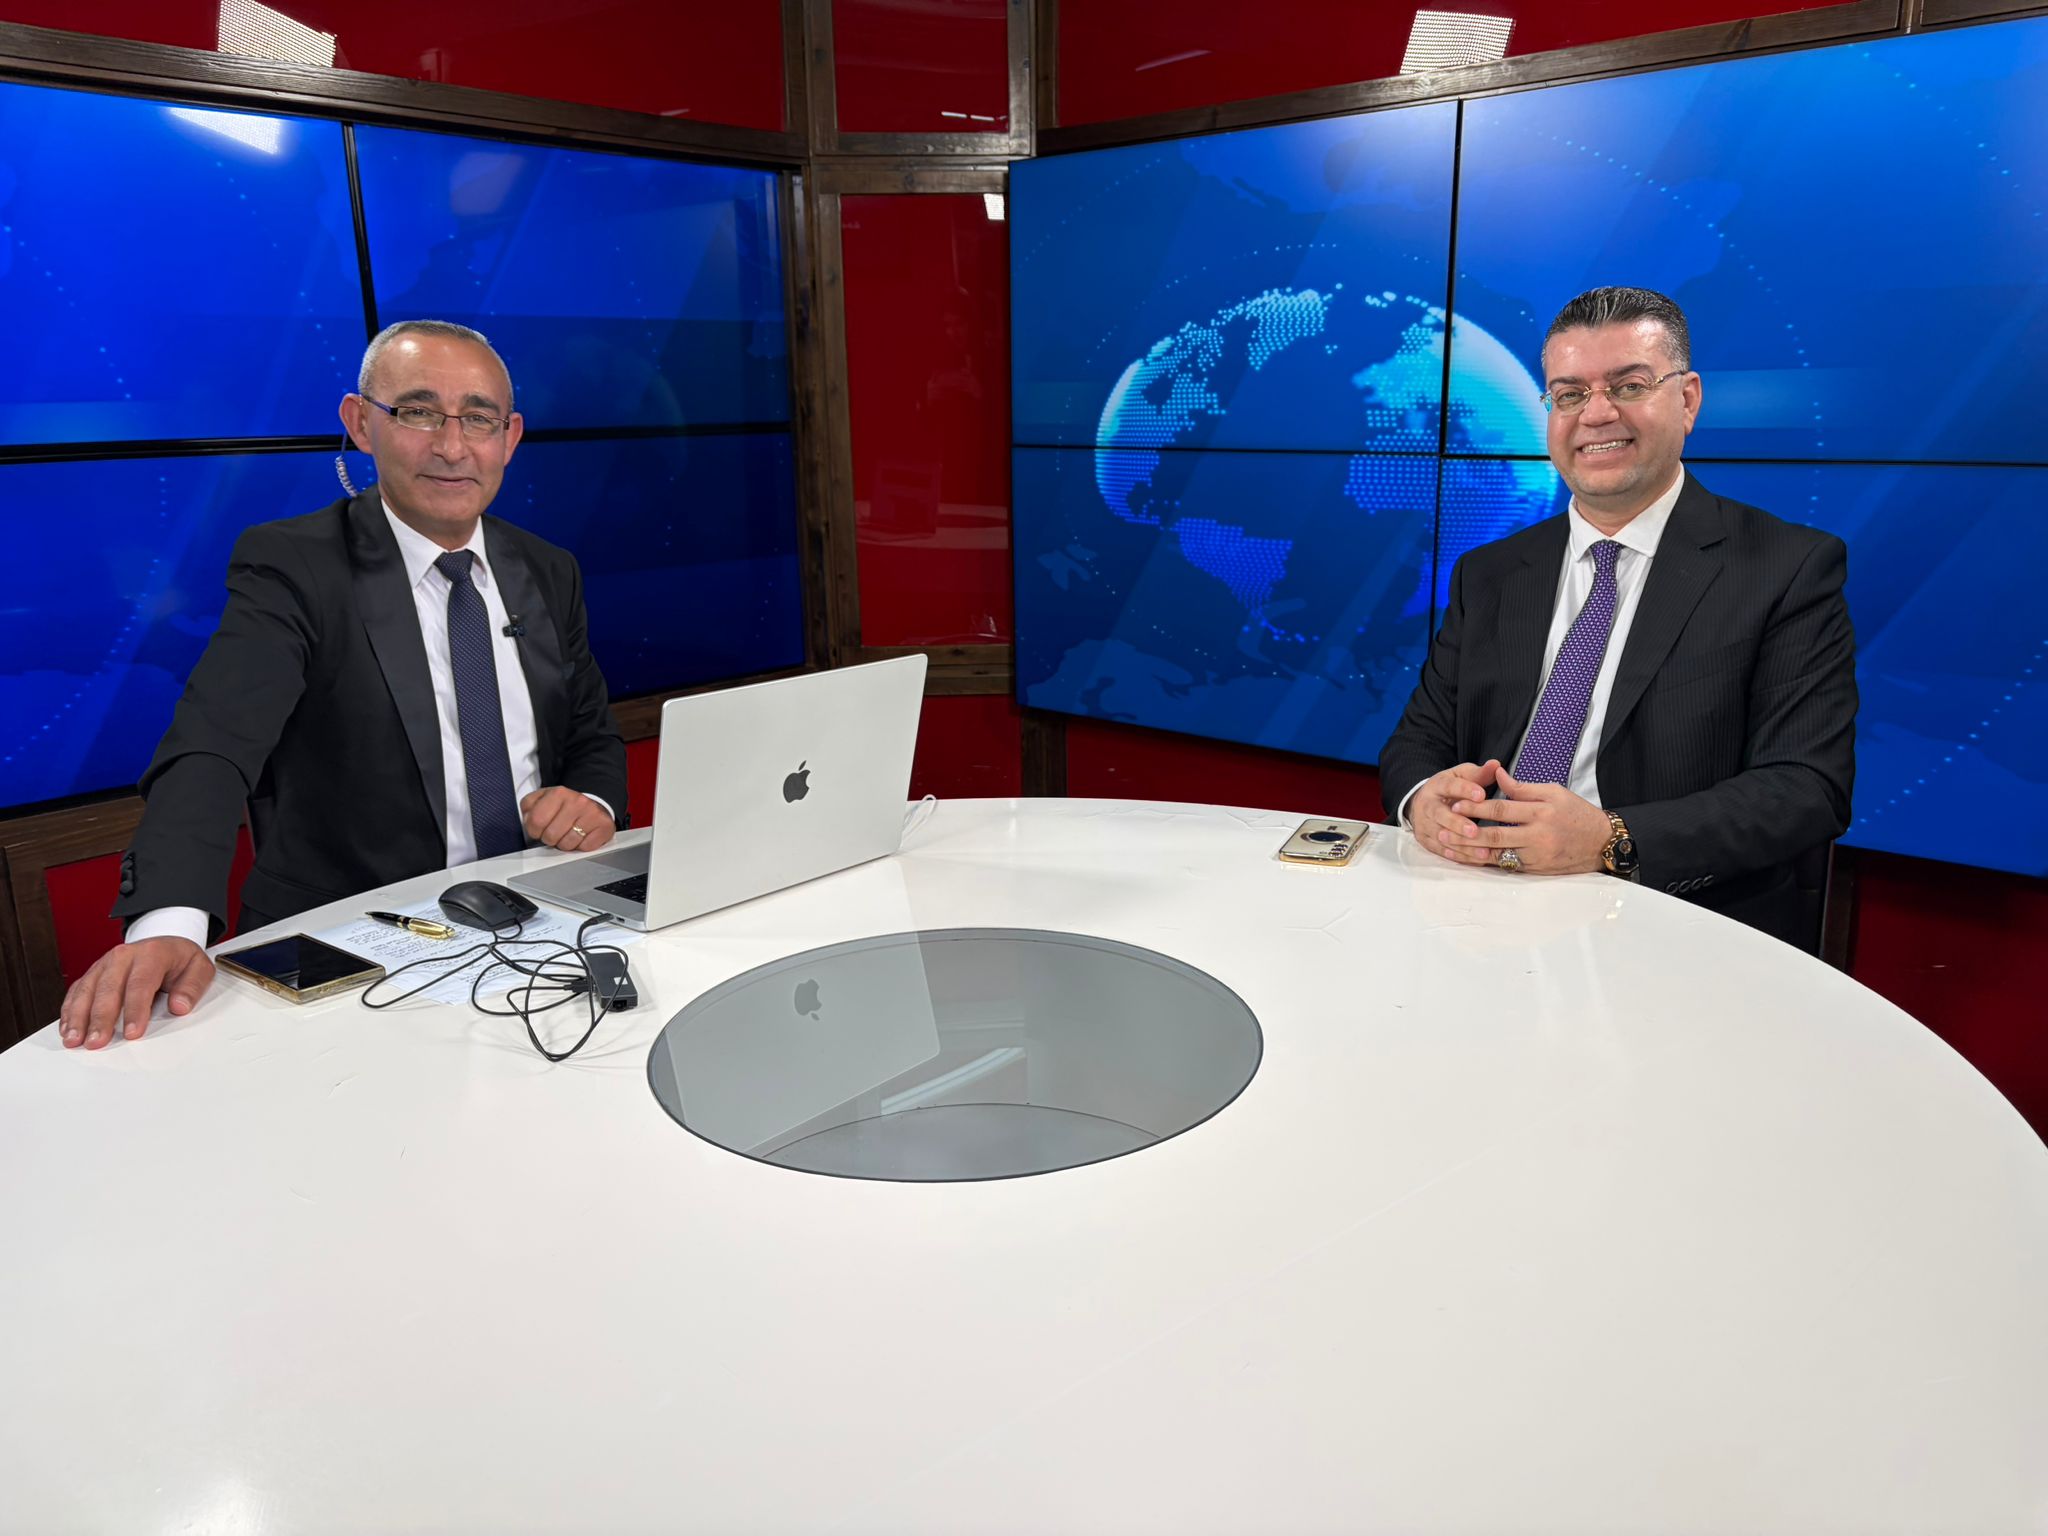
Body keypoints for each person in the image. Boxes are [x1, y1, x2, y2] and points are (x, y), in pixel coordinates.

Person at [60, 320, 629, 1048]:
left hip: (534, 923)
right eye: (419, 412)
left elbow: (591, 735)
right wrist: (169, 922)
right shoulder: (294, 566)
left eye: (479, 419)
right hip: (358, 946)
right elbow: (213, 743)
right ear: (361, 424)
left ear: (509, 437)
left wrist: (591, 801)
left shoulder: (548, 569)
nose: (453, 447)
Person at [1379, 286, 1856, 948]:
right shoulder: (1489, 572)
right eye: (1569, 394)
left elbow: (1806, 788)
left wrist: (1610, 838)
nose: (1596, 414)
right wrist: (1424, 798)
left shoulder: (1787, 568)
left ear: (1687, 400)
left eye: (1629, 386)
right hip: (1472, 909)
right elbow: (1416, 741)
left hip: (1669, 926)